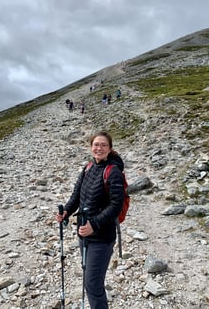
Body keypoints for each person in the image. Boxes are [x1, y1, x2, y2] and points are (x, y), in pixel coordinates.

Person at [56, 131, 124, 309]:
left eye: (103, 145)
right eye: (96, 144)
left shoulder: (113, 172)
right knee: (89, 280)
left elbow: (116, 205)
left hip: (102, 238)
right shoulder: (88, 168)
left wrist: (94, 224)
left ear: (109, 149)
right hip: (84, 235)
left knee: (92, 284)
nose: (99, 148)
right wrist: (66, 212)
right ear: (91, 147)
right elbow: (77, 195)